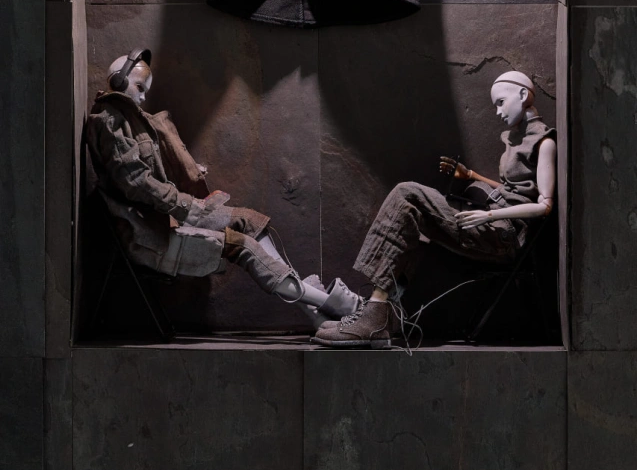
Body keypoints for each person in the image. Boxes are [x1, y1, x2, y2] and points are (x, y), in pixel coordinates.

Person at [86, 48, 361, 327]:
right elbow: (138, 184)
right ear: (120, 80)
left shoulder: (129, 120)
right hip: (149, 234)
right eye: (140, 87)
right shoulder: (110, 122)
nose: (144, 97)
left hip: (166, 216)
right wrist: (188, 205)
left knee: (250, 220)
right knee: (245, 246)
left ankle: (313, 312)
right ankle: (329, 302)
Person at [312, 71, 557, 348]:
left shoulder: (544, 142)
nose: (498, 112)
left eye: (501, 102)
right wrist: (472, 176)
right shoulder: (516, 139)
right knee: (411, 218)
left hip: (504, 235)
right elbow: (513, 189)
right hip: (494, 226)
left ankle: (374, 317)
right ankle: (380, 313)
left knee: (406, 194)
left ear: (523, 95)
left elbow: (544, 206)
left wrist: (489, 214)